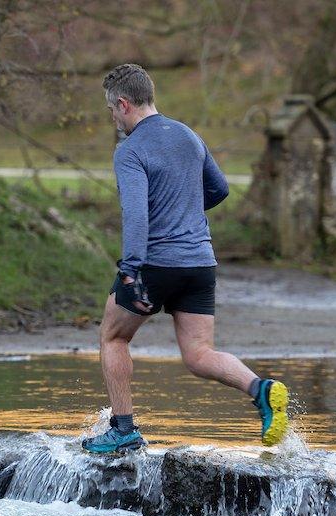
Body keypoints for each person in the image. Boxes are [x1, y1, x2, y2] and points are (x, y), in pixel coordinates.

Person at [81, 64, 289, 454]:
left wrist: (130, 268)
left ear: (123, 104)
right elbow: (220, 188)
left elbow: (136, 214)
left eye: (112, 111)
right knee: (199, 355)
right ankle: (261, 389)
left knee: (113, 336)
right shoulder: (189, 136)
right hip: (199, 263)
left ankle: (123, 430)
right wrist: (186, 209)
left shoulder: (130, 150)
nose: (113, 119)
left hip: (155, 263)